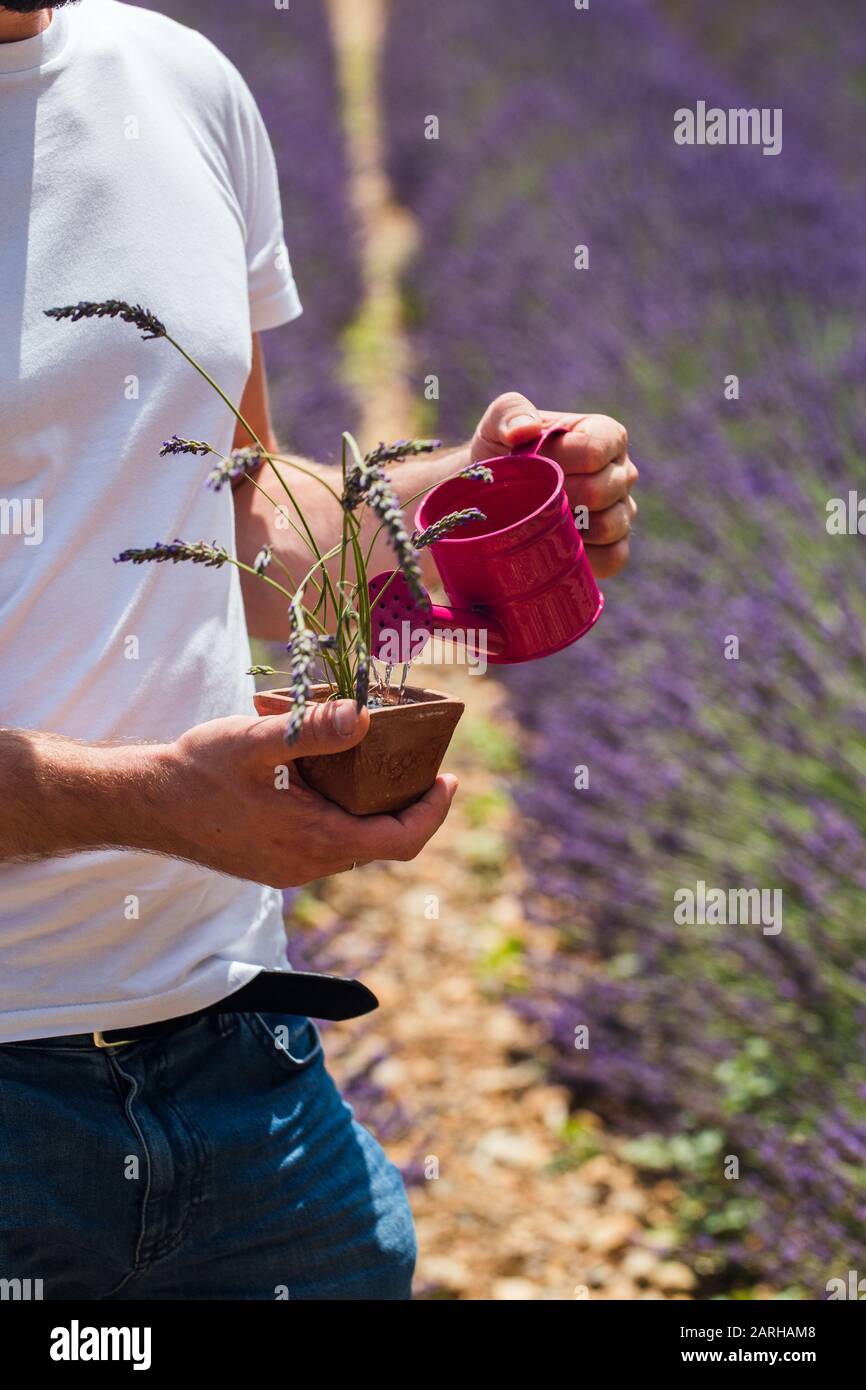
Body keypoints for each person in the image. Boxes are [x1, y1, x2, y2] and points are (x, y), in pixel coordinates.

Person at [0, 0, 638, 1299]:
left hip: (240, 1049)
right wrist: (146, 805)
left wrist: (465, 512)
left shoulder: (176, 82)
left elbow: (229, 499)